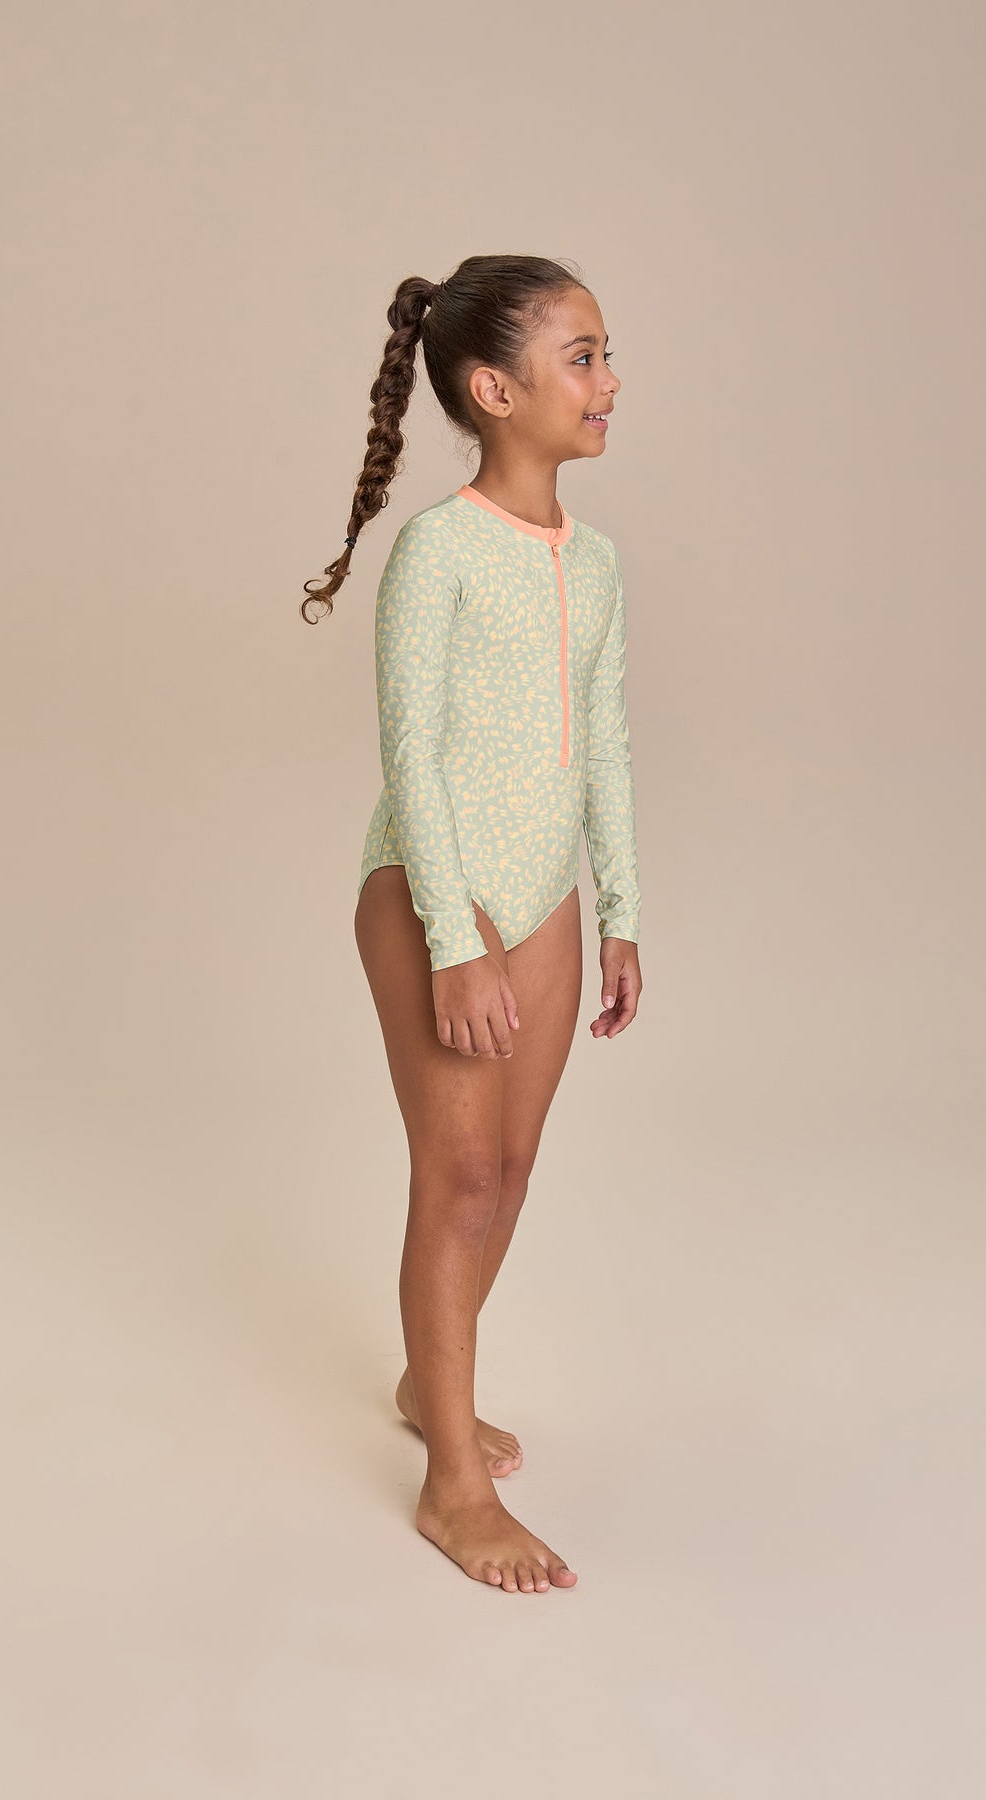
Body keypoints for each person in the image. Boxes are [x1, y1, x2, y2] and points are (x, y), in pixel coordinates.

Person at [303, 254, 644, 1594]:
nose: (609, 382)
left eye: (608, 355)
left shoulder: (596, 563)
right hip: (434, 890)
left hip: (548, 898)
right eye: (583, 357)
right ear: (496, 390)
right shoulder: (437, 551)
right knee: (454, 1180)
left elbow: (604, 743)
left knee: (507, 1172)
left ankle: (421, 1381)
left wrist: (621, 910)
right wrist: (454, 937)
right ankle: (453, 1485)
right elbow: (411, 758)